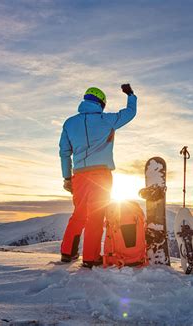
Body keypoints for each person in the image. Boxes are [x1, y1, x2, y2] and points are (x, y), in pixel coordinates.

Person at [59, 84, 137, 268]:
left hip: (79, 176)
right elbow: (130, 113)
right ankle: (90, 258)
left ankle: (67, 253)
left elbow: (64, 152)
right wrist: (131, 95)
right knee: (95, 216)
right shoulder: (107, 120)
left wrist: (67, 178)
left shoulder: (69, 123)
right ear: (101, 103)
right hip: (101, 175)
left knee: (78, 214)